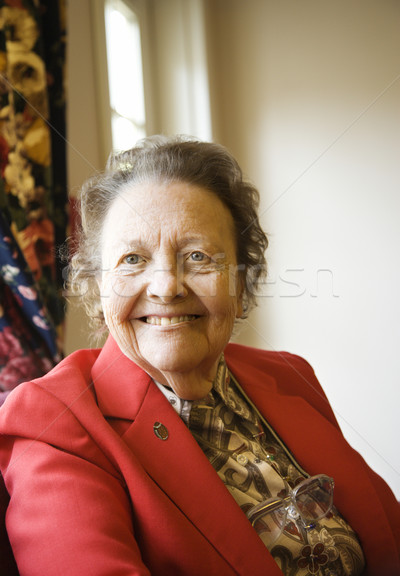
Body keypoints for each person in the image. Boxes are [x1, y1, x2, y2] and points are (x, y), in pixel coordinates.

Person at [0, 136, 399, 576]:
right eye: (133, 259)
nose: (167, 286)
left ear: (240, 282)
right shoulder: (56, 423)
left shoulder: (287, 374)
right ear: (97, 285)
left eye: (197, 256)